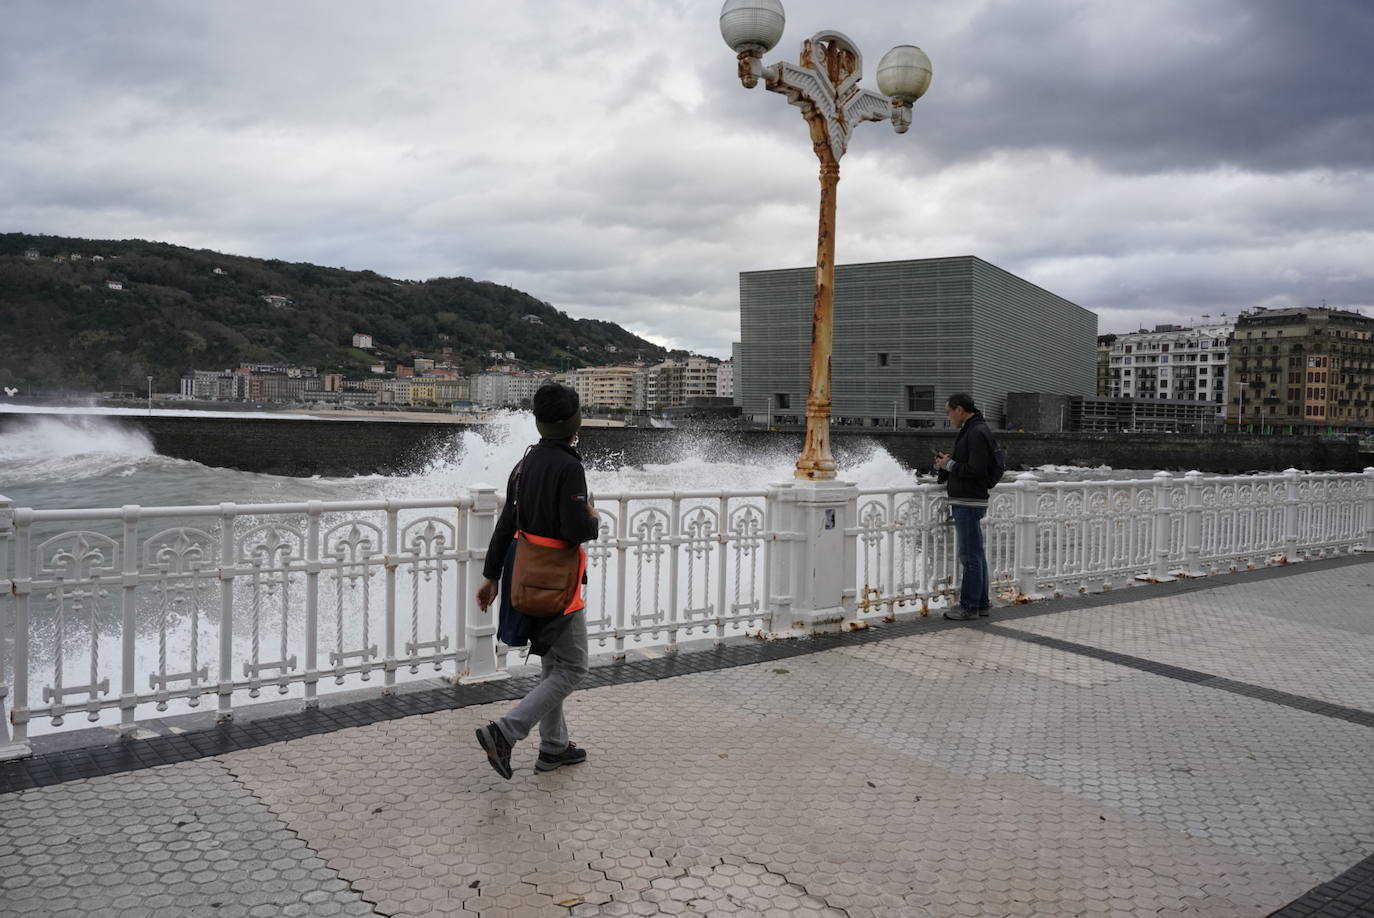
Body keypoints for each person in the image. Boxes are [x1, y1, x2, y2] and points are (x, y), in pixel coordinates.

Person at [474, 382, 600, 779]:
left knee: (553, 663)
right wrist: (593, 518)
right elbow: (575, 529)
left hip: (522, 576)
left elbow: (505, 523)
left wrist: (491, 576)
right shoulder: (569, 466)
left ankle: (554, 748)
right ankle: (506, 732)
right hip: (556, 581)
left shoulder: (524, 464)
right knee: (573, 667)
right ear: (573, 423)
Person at [934, 393, 997, 621]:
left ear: (959, 409)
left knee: (969, 555)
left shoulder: (976, 432)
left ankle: (969, 606)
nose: (948, 416)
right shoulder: (975, 429)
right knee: (976, 554)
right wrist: (948, 463)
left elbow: (977, 469)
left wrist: (949, 464)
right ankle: (981, 603)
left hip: (968, 501)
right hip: (970, 499)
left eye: (948, 411)